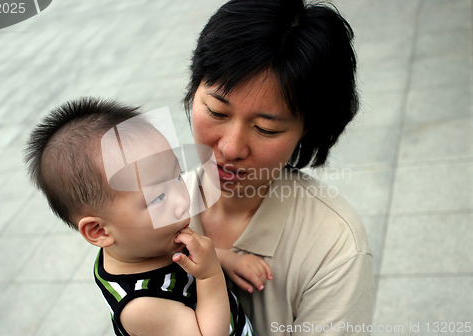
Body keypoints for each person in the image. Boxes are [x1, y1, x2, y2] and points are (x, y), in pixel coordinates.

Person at [183, 0, 374, 335]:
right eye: (216, 111)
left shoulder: (334, 248)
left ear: (307, 130)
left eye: (266, 129)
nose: (230, 148)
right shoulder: (154, 196)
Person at [24, 97, 253, 336]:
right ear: (99, 231)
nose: (182, 201)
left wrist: (227, 259)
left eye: (177, 177)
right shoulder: (140, 306)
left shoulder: (143, 240)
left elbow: (193, 254)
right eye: (157, 198)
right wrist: (210, 275)